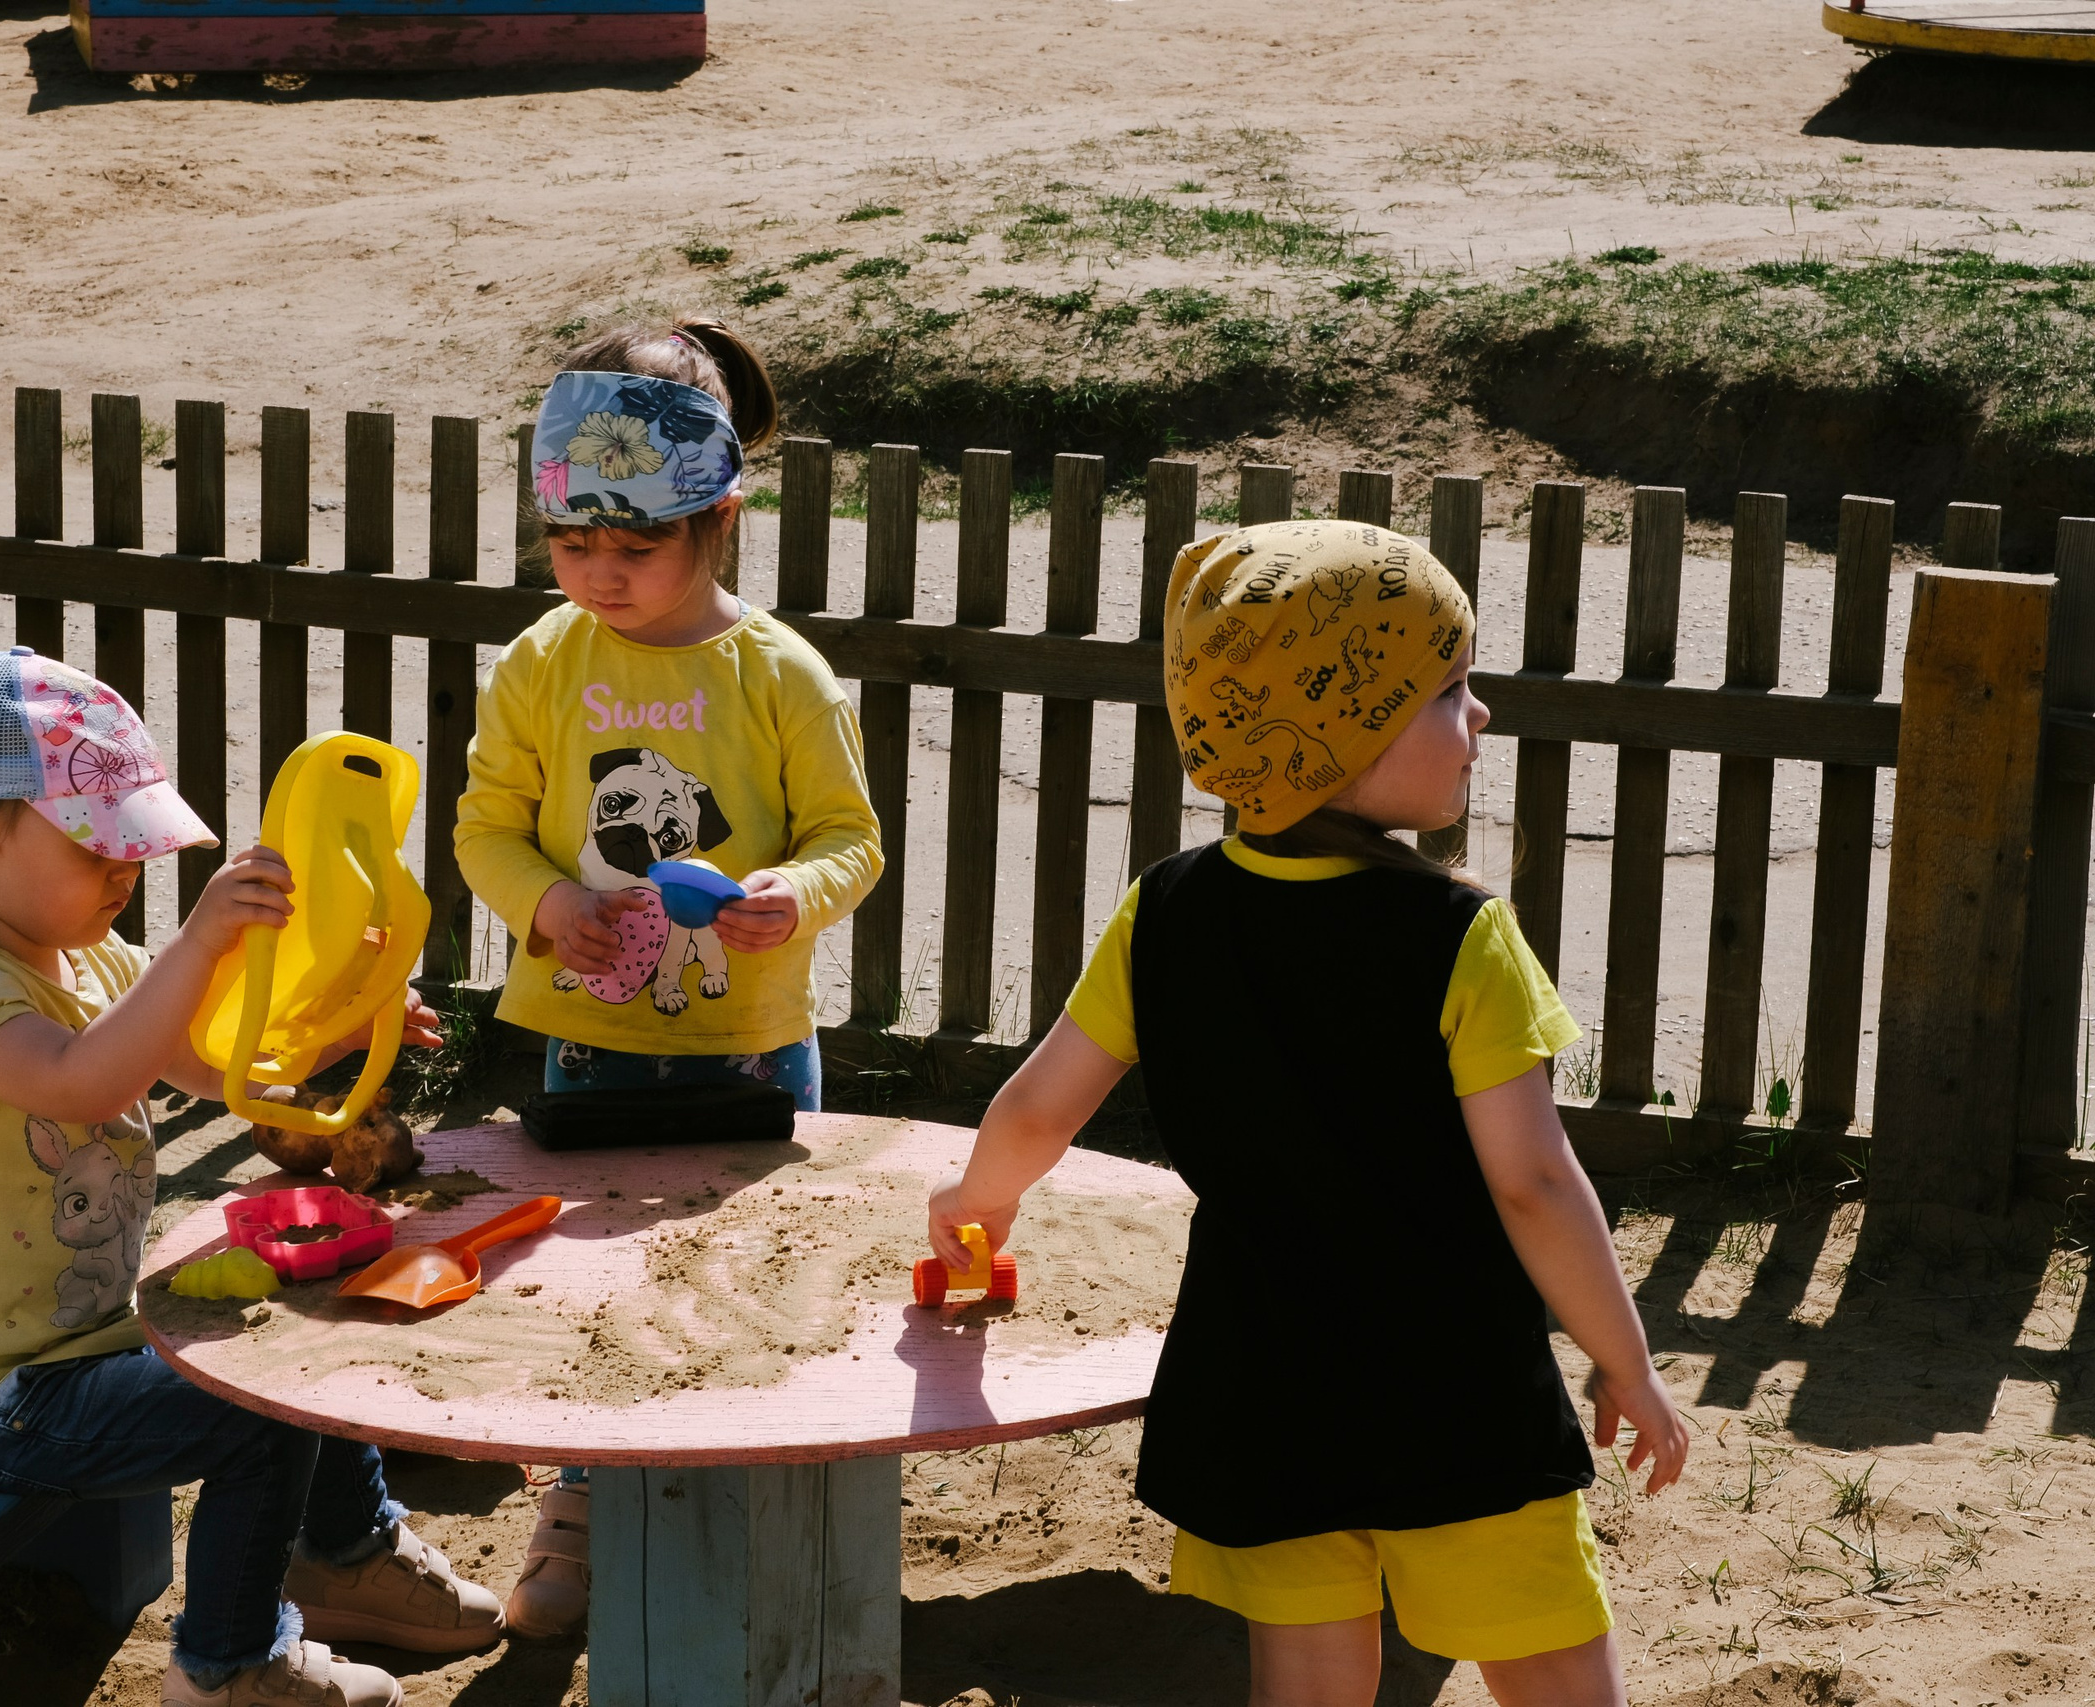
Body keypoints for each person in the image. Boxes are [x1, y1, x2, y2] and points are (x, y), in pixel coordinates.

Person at [926, 522, 1689, 1706]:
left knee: (1308, 1676)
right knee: (1545, 1659)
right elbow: (1533, 1183)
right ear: (1343, 731)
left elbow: (1038, 1107)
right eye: (1447, 690)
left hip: (1256, 1381)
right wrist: (1623, 1361)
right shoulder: (1458, 935)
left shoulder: (1164, 910)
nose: (1478, 717)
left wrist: (973, 1206)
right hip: (1452, 1395)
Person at [0, 647, 504, 1707]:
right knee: (266, 1405)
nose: (128, 877)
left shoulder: (95, 960)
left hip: (85, 1351)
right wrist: (201, 939)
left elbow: (226, 1068)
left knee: (311, 1331)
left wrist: (347, 1020)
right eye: (100, 851)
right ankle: (226, 1665)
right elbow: (80, 1082)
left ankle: (346, 1554)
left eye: (135, 853)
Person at [453, 318, 884, 1636]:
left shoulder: (778, 673)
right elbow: (485, 827)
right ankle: (578, 1506)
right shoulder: (543, 662)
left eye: (632, 549)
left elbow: (850, 840)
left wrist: (790, 894)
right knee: (595, 1275)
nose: (598, 575)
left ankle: (756, 1505)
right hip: (592, 1042)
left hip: (750, 1041)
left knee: (748, 1270)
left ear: (720, 521)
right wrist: (549, 898)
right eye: (571, 545)